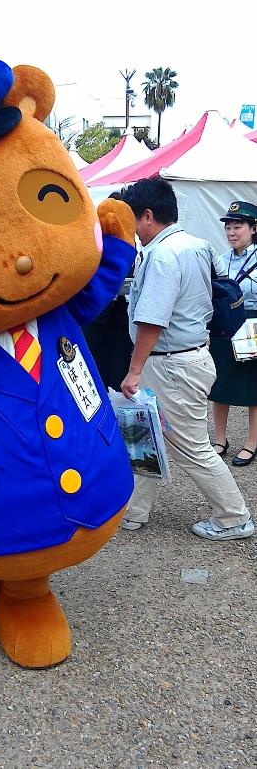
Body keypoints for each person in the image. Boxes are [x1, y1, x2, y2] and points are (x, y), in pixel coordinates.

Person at [119, 177, 254, 541]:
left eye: (133, 218)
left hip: (171, 363)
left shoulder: (163, 255)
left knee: (191, 446)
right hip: (186, 355)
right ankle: (134, 510)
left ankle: (234, 516)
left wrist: (133, 371)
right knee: (144, 434)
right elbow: (222, 293)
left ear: (147, 216)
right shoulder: (199, 245)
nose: (132, 228)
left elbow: (152, 318)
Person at [209, 201, 257, 467]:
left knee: (252, 385)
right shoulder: (220, 259)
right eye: (228, 226)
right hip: (224, 325)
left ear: (254, 228)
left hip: (252, 324)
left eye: (237, 226)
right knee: (219, 382)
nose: (231, 231)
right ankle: (220, 439)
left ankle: (252, 442)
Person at [83, 191, 133, 390]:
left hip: (121, 324)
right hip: (96, 322)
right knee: (96, 376)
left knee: (118, 376)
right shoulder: (92, 245)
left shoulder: (132, 245)